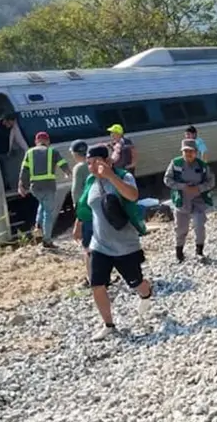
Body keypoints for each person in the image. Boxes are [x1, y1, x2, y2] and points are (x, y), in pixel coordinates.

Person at [84, 145, 154, 341]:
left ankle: (146, 294)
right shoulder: (91, 182)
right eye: (88, 163)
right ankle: (109, 325)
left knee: (137, 283)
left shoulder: (124, 176)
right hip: (99, 245)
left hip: (125, 245)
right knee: (97, 285)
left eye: (95, 162)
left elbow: (133, 195)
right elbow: (86, 206)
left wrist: (110, 176)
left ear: (107, 161)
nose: (91, 167)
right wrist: (79, 225)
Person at [163, 139, 217, 263]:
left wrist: (199, 188)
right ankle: (179, 253)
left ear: (196, 152)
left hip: (198, 200)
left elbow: (211, 181)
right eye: (185, 151)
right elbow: (167, 179)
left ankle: (199, 252)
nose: (188, 154)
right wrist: (182, 187)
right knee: (181, 228)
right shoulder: (175, 163)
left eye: (191, 151)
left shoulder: (202, 166)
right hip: (181, 200)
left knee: (199, 226)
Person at [18, 131, 71, 249]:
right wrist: (67, 172)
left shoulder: (29, 152)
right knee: (48, 213)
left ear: (36, 141)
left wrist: (22, 186)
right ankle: (47, 240)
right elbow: (63, 163)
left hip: (35, 187)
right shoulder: (52, 151)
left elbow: (24, 170)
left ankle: (38, 226)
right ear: (48, 141)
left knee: (42, 205)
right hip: (48, 186)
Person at [0, 112, 29, 192]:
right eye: (9, 123)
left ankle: (7, 186)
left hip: (5, 153)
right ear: (5, 120)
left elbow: (20, 139)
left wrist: (27, 150)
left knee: (5, 171)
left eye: (12, 124)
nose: (10, 125)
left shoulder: (14, 128)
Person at [69, 139, 93, 284]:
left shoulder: (79, 168)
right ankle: (105, 275)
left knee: (88, 246)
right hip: (98, 209)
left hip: (86, 211)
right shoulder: (94, 164)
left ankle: (92, 278)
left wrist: (78, 217)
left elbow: (76, 192)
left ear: (75, 154)